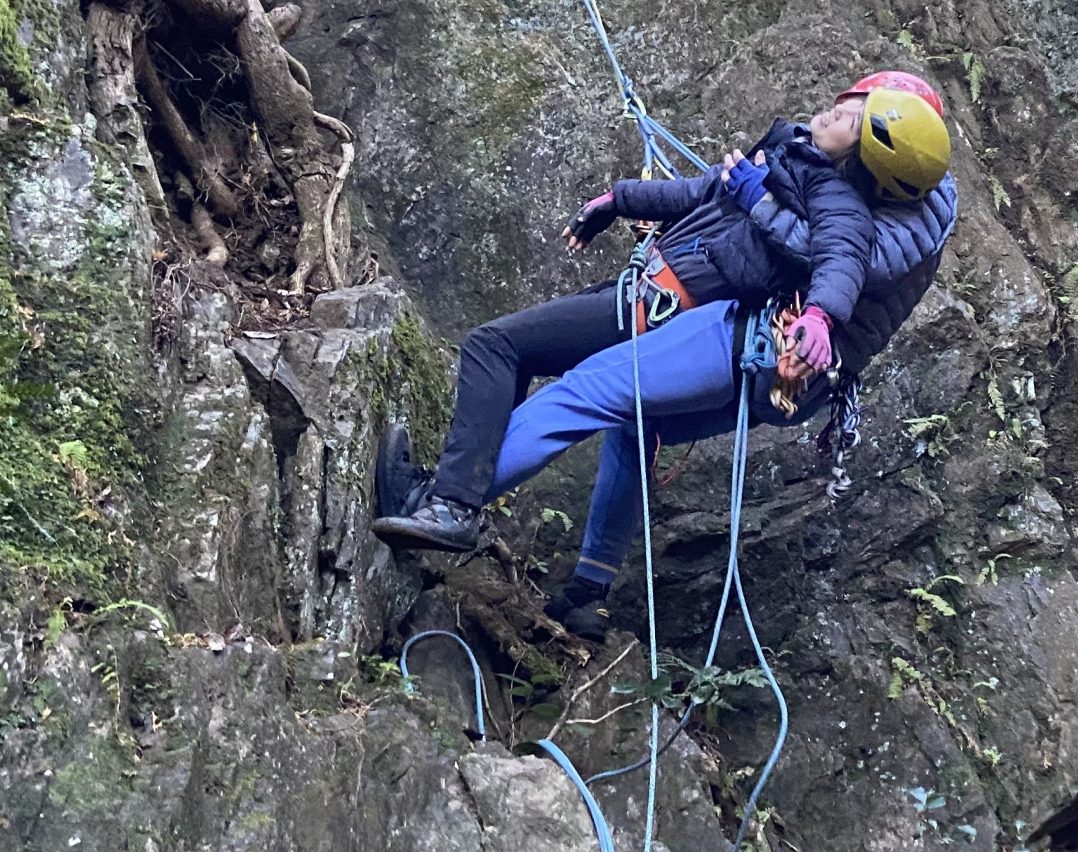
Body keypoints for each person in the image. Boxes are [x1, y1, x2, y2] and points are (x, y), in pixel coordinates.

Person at [371, 76, 951, 556]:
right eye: (844, 104)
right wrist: (621, 199)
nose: (833, 111)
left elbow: (840, 259)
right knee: (596, 403)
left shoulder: (834, 201)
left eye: (850, 117)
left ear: (857, 158)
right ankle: (571, 585)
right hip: (656, 292)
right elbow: (706, 191)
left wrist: (819, 315)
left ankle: (449, 503)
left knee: (507, 351)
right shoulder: (792, 155)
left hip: (662, 304)